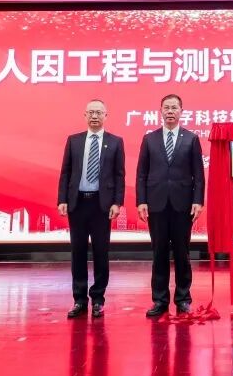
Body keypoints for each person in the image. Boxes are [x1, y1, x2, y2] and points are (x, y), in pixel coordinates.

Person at [137, 94, 205, 317]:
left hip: (182, 205)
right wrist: (141, 200)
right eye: (166, 107)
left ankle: (183, 299)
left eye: (174, 108)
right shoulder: (150, 139)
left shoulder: (191, 139)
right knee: (159, 253)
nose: (170, 111)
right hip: (156, 203)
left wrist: (198, 201)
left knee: (182, 253)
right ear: (160, 111)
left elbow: (198, 175)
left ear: (181, 111)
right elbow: (141, 173)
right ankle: (160, 300)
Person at [58, 99, 126, 319]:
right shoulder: (74, 141)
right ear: (85, 115)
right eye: (91, 112)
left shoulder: (115, 142)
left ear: (106, 116)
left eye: (99, 112)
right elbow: (66, 172)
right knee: (77, 252)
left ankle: (98, 299)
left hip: (101, 205)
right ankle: (79, 299)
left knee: (100, 252)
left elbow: (119, 176)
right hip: (77, 204)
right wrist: (62, 199)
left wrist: (117, 202)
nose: (95, 116)